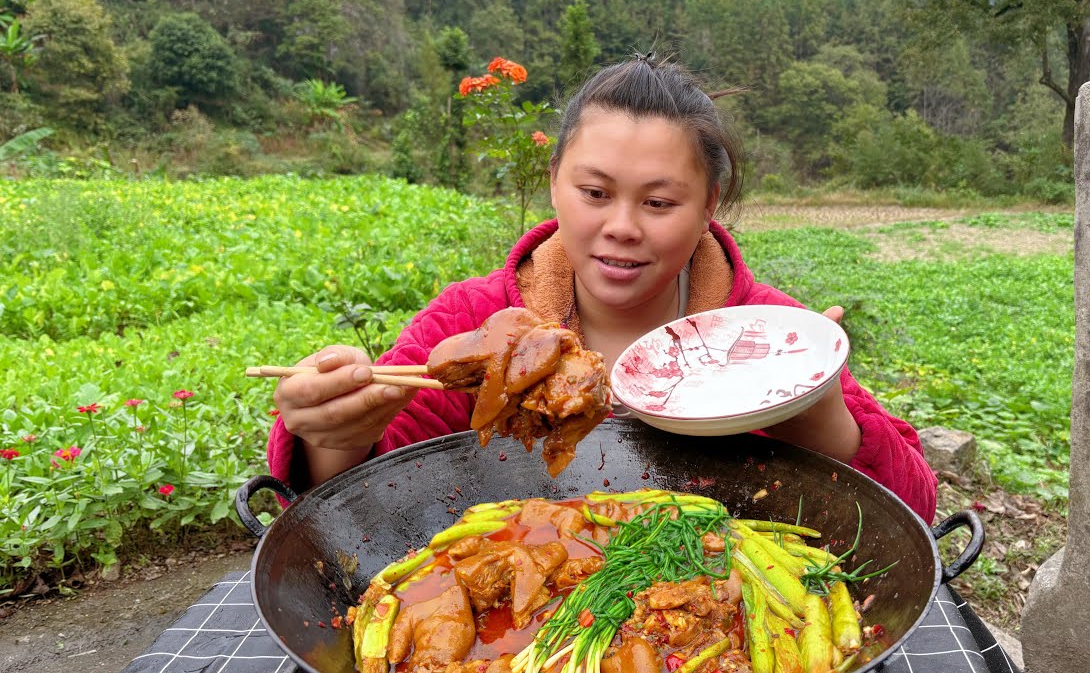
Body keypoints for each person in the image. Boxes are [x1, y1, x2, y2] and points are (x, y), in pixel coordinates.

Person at [267, 54, 937, 523]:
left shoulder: (762, 335)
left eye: (659, 203)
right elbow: (360, 506)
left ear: (711, 202)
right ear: (555, 178)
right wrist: (336, 436)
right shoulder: (476, 321)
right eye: (594, 193)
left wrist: (816, 414)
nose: (620, 228)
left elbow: (913, 509)